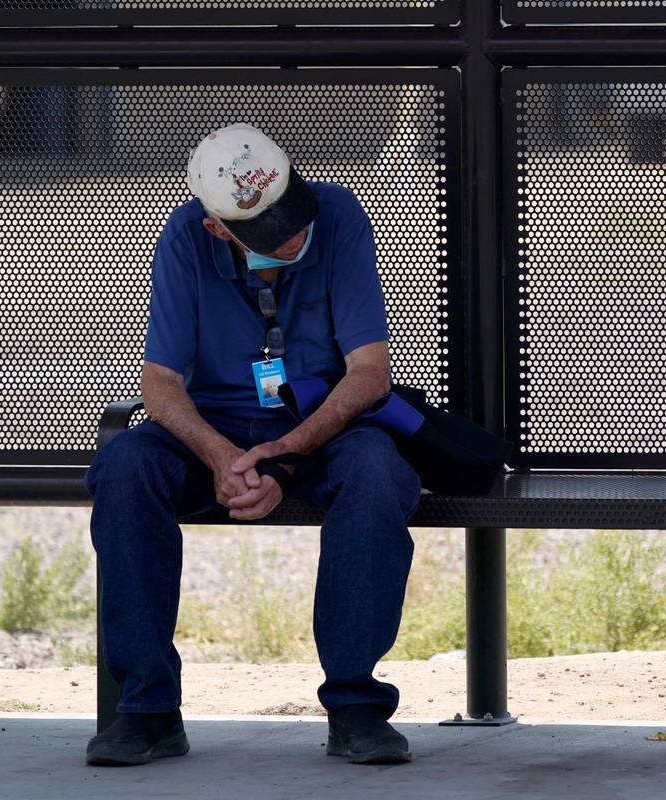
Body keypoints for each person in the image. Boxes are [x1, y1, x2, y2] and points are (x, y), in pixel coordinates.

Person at [83, 123, 422, 767]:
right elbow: (159, 384)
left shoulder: (339, 214)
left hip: (320, 431)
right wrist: (219, 457)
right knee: (125, 465)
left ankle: (355, 705)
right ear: (218, 228)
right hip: (216, 436)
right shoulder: (185, 237)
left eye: (289, 214)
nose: (291, 237)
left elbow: (369, 372)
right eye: (267, 232)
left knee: (379, 471)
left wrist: (286, 453)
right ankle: (149, 710)